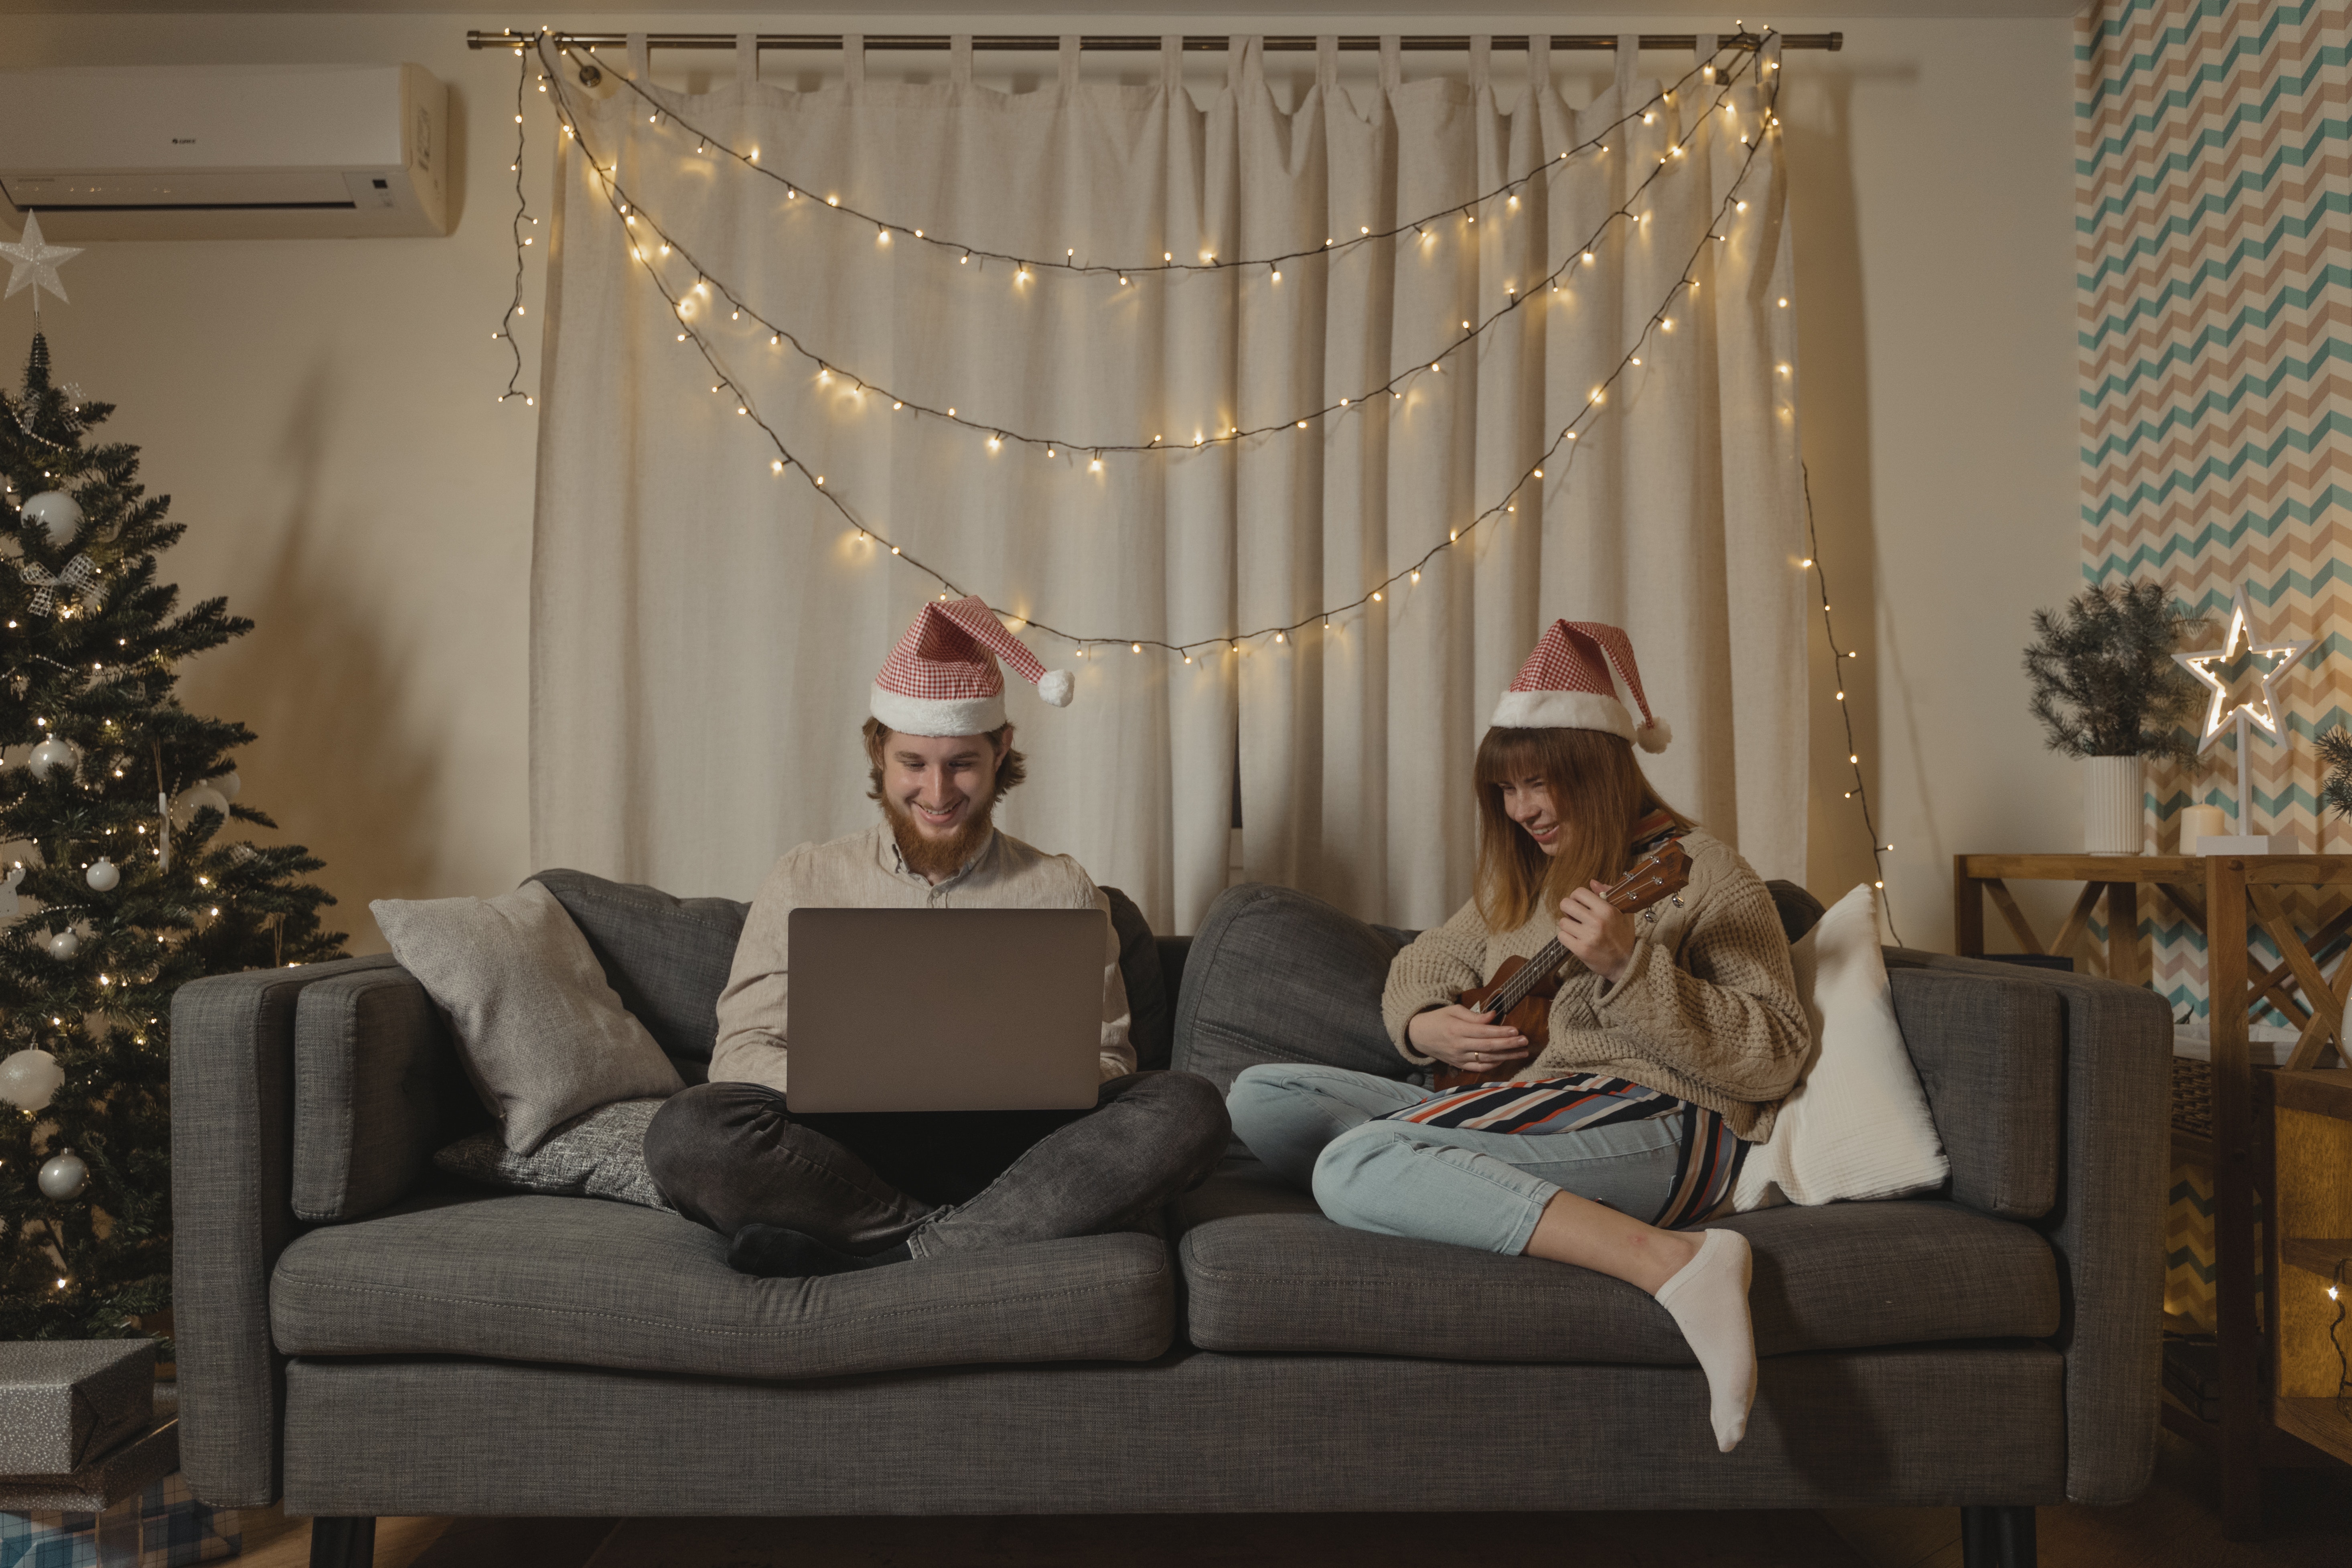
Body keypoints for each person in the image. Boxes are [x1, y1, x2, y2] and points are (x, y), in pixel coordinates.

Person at [1225, 620, 1808, 1452]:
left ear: (1600, 770)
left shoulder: (1704, 873)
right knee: (1262, 1097)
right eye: (1506, 788)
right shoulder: (1532, 878)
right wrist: (1431, 1029)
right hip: (1540, 1097)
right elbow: (1419, 962)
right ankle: (1441, 1167)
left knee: (1352, 1162)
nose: (1521, 808)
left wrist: (1631, 968)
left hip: (1671, 1117)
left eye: (1539, 783)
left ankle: (1675, 1262)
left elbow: (1777, 1051)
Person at [646, 596, 1230, 1279]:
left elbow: (1108, 1060)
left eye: (961, 764)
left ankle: (895, 1255)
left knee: (1190, 1108)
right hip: (847, 1151)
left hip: (1019, 1151)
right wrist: (854, 1088)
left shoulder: (1063, 888)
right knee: (687, 1131)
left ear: (1001, 749)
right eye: (914, 763)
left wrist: (1020, 1083)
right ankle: (974, 1236)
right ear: (879, 753)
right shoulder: (805, 877)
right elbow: (742, 1050)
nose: (937, 791)